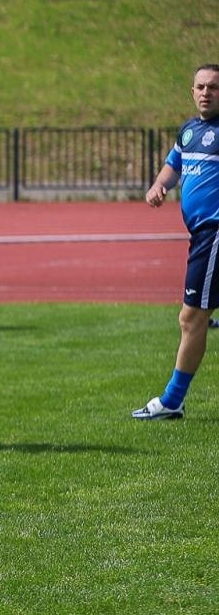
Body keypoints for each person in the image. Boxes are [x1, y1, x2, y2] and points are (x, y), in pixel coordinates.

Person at [131, 63, 219, 420]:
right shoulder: (189, 131)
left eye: (213, 87)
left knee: (191, 318)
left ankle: (172, 400)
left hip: (215, 233)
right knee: (197, 315)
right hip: (201, 235)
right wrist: (160, 184)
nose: (205, 92)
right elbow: (174, 163)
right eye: (200, 86)